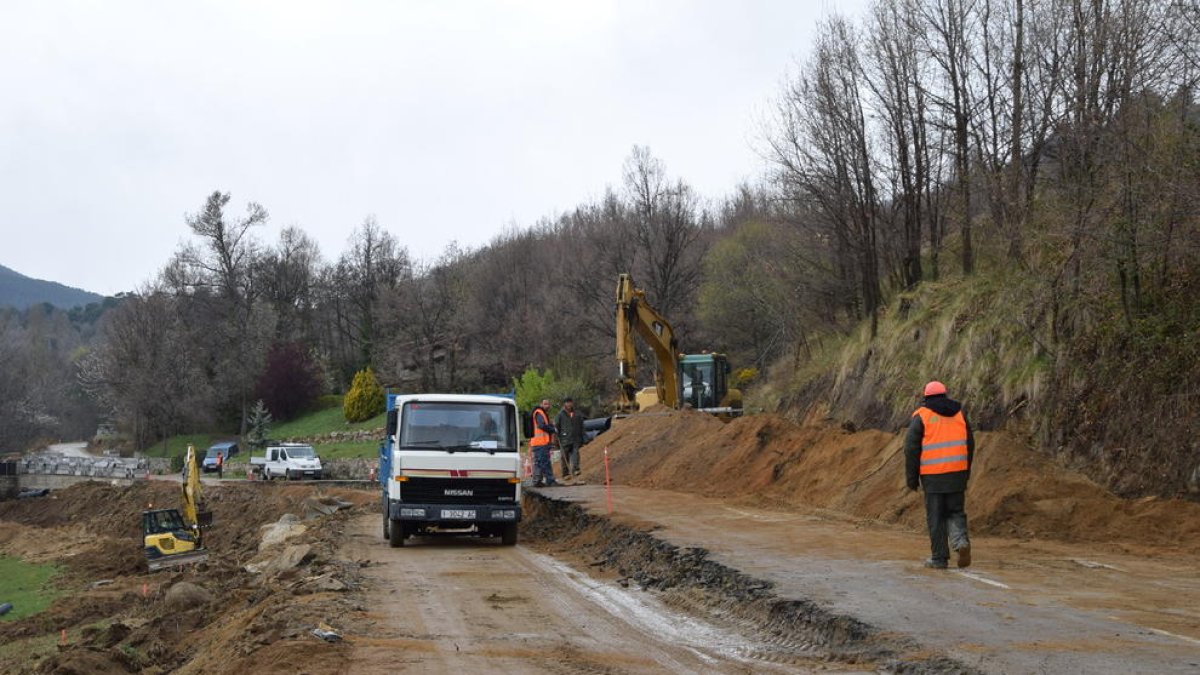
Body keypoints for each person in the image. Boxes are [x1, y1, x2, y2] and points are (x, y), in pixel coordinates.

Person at [904, 380, 974, 569]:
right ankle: (961, 542)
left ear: (926, 397)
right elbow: (970, 444)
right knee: (955, 512)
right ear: (945, 394)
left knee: (936, 517)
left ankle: (939, 558)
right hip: (957, 474)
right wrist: (966, 472)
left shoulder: (922, 416)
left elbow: (911, 449)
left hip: (933, 477)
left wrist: (912, 479)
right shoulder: (960, 414)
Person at [554, 398, 586, 484]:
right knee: (564, 457)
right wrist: (556, 440)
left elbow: (582, 426)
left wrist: (583, 438)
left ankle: (575, 469)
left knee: (576, 454)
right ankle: (565, 474)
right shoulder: (560, 415)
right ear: (564, 404)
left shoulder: (577, 414)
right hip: (564, 439)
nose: (569, 404)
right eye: (567, 403)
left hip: (575, 439)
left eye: (570, 402)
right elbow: (556, 427)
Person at [530, 399, 559, 487]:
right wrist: (552, 429)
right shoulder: (539, 413)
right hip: (541, 443)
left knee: (539, 463)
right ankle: (550, 480)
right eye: (545, 404)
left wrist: (551, 426)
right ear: (541, 404)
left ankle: (537, 481)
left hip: (538, 443)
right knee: (545, 462)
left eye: (548, 404)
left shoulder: (540, 413)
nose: (547, 406)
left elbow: (543, 425)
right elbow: (541, 425)